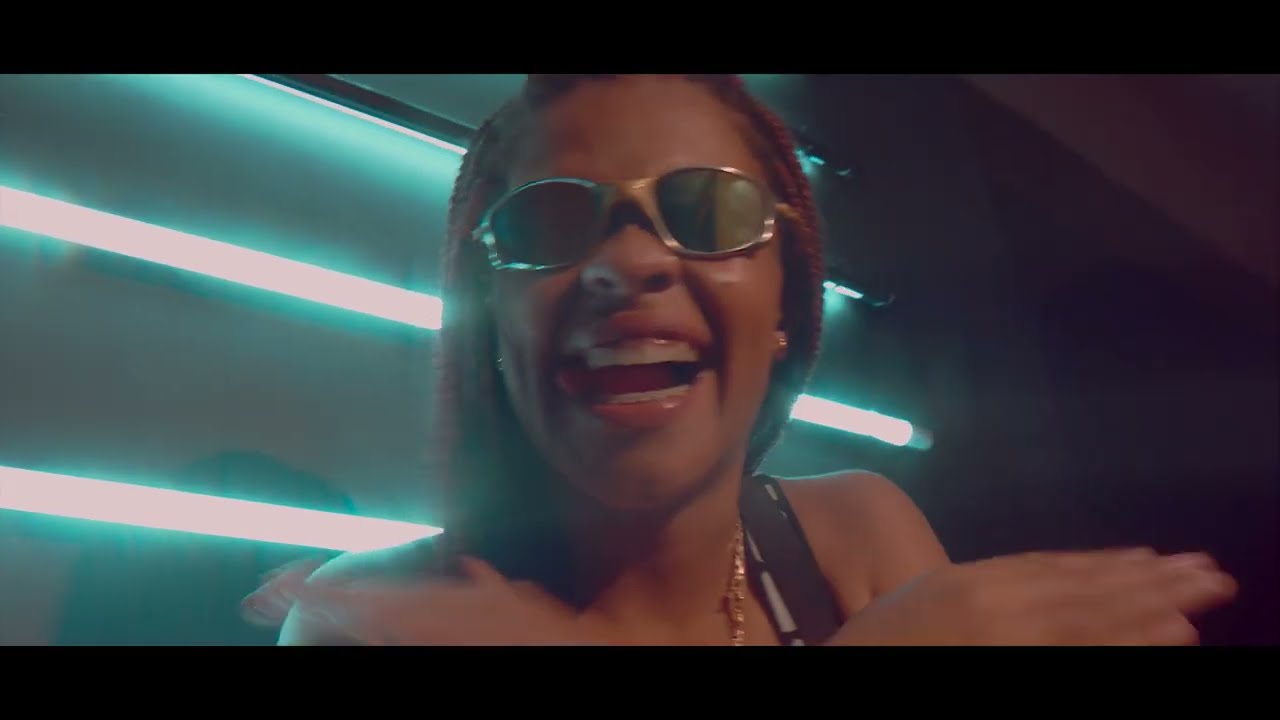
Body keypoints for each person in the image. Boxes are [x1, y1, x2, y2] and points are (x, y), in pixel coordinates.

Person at [241, 74, 1237, 645]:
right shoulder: (370, 621)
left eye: (707, 211)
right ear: (489, 323)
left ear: (783, 311)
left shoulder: (855, 533)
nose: (630, 263)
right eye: (549, 222)